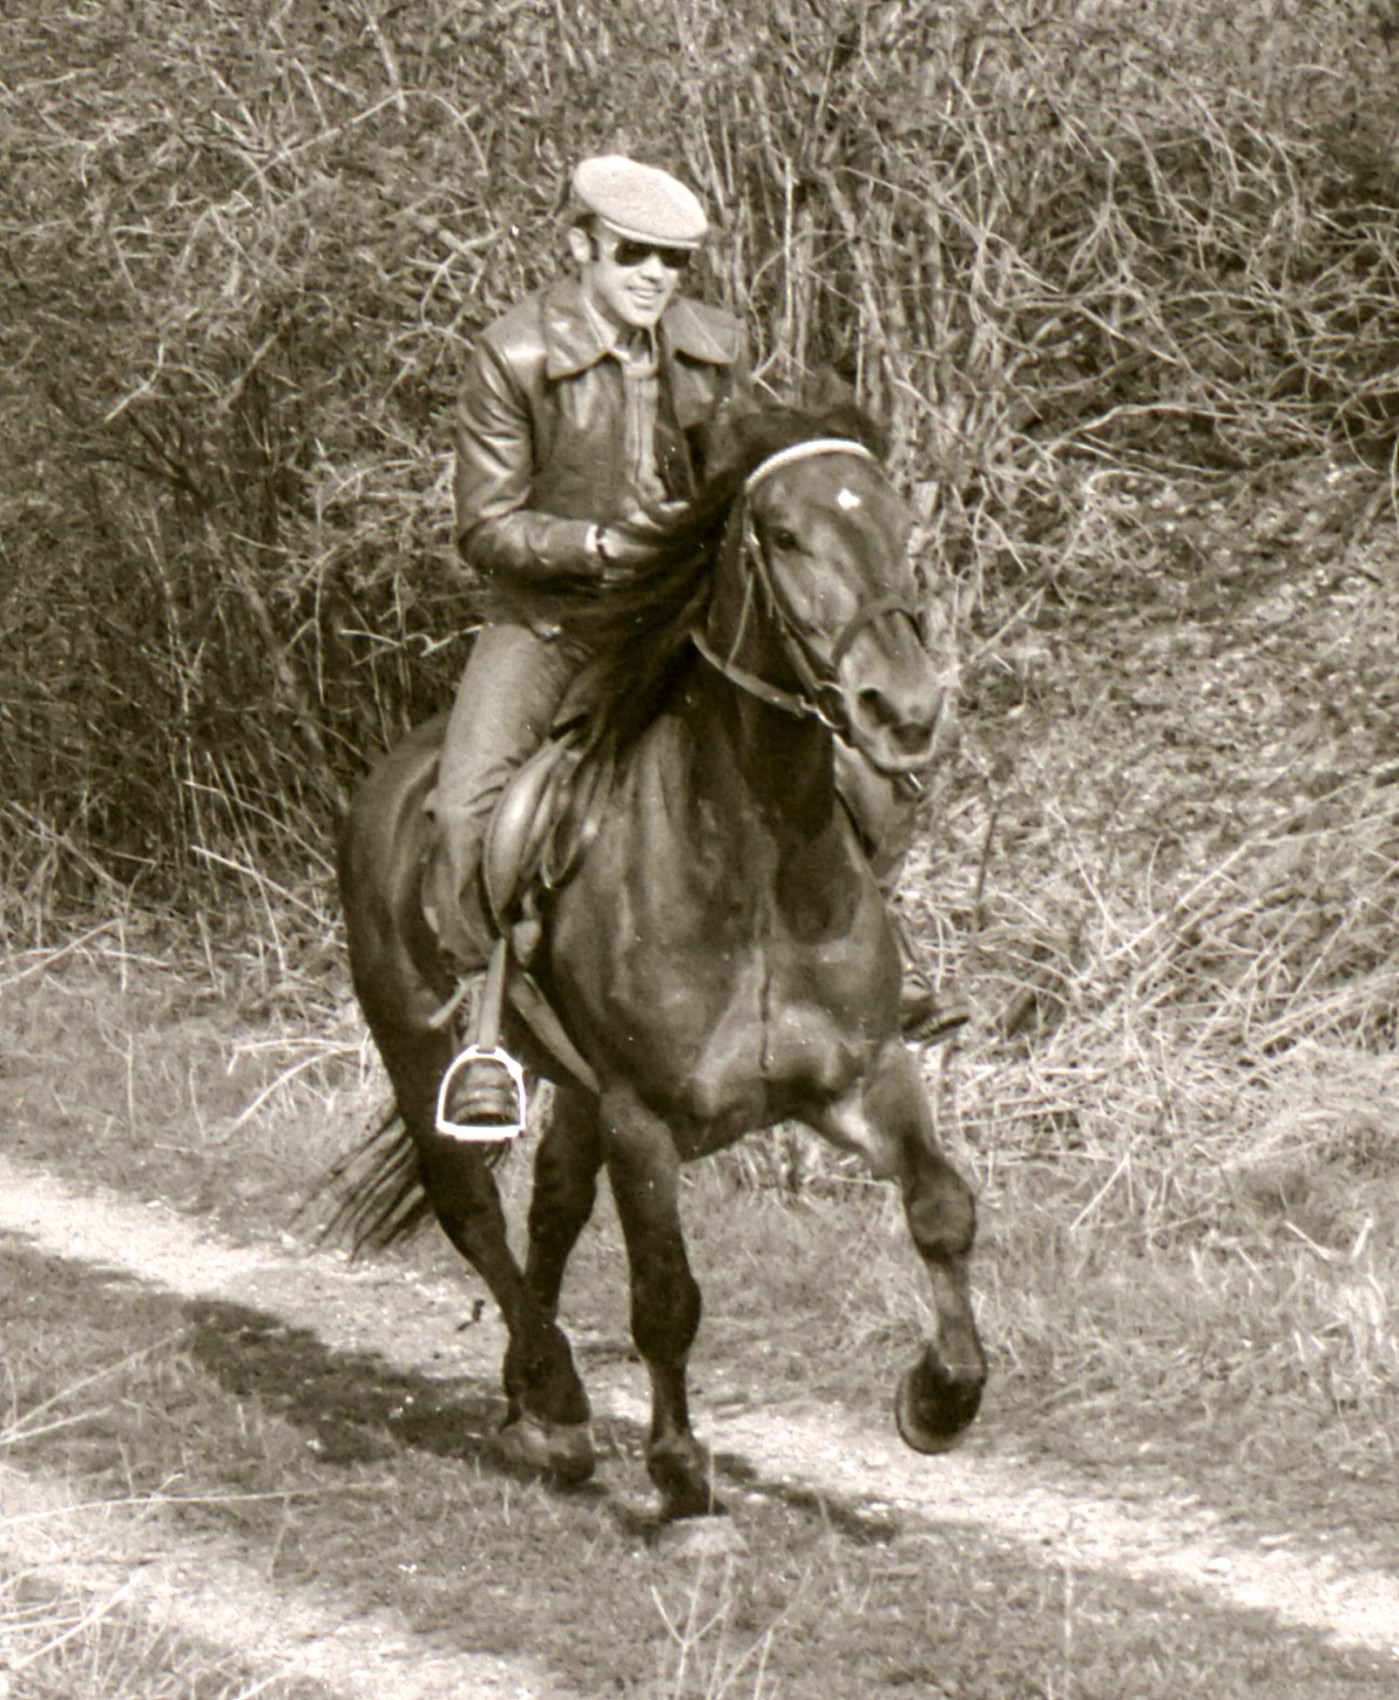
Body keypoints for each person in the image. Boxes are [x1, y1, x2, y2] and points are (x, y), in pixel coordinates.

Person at [425, 157, 963, 1121]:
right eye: (633, 254)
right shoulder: (512, 356)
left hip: (680, 620)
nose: (654, 276)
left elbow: (749, 480)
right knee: (467, 816)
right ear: (580, 245)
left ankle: (873, 976)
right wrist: (593, 543)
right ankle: (485, 1033)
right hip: (553, 620)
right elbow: (484, 525)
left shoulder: (713, 347)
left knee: (870, 776)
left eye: (673, 260)